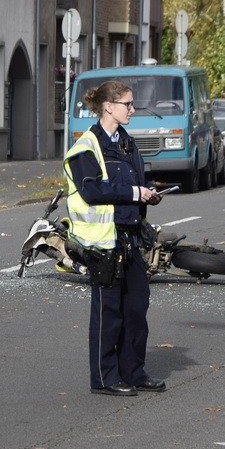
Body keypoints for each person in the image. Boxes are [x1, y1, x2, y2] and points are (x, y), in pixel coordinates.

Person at [63, 81, 166, 396]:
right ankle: (105, 378)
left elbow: (135, 181)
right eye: (128, 104)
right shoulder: (86, 146)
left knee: (137, 305)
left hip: (130, 237)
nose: (132, 110)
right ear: (109, 106)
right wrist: (136, 192)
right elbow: (92, 191)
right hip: (103, 242)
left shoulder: (127, 143)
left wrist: (148, 193)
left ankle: (133, 372)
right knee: (109, 312)